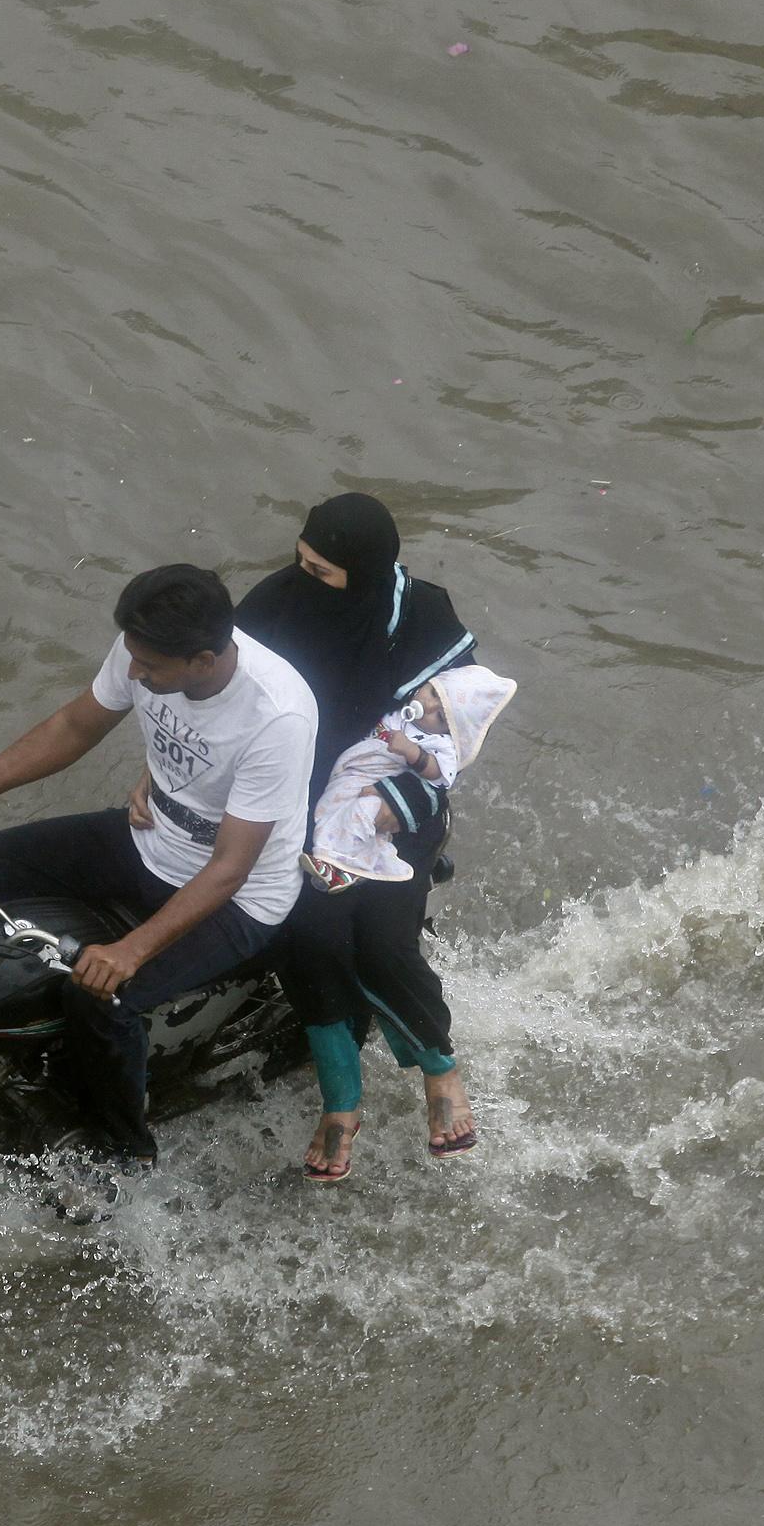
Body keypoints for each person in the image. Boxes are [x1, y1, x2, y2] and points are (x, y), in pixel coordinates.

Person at [0, 563, 317, 1186]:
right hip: (149, 836)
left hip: (239, 894)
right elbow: (77, 725)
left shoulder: (276, 717)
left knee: (102, 994)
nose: (134, 674)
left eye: (149, 668)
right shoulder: (146, 645)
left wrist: (130, 951)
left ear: (202, 661)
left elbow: (232, 869)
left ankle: (125, 1151)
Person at [233, 491, 486, 1180]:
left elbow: (454, 739)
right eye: (300, 560)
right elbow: (216, 700)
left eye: (322, 572)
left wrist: (389, 804)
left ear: (366, 574)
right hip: (296, 805)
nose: (302, 579)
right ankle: (342, 1101)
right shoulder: (271, 606)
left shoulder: (425, 621)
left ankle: (440, 1070)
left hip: (397, 802)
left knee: (377, 941)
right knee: (308, 936)